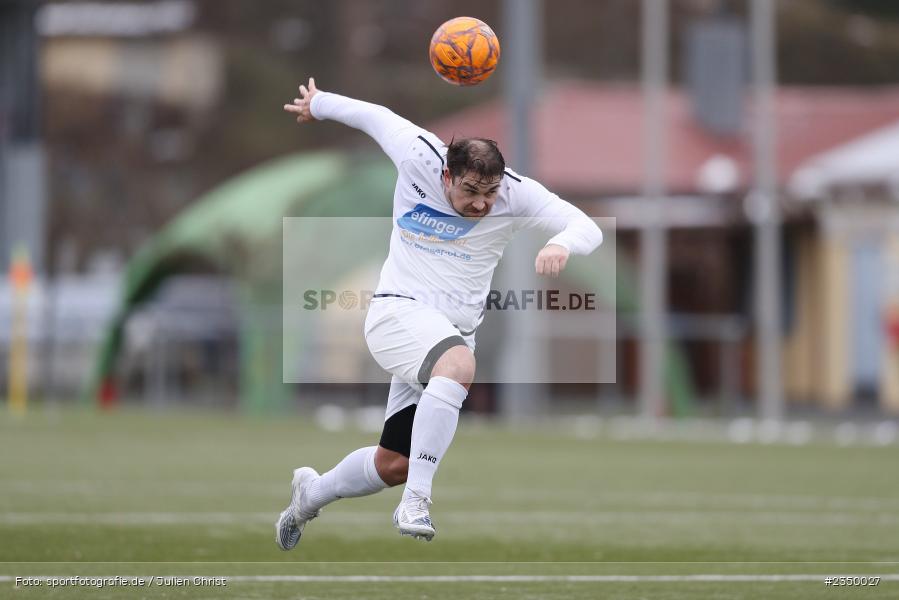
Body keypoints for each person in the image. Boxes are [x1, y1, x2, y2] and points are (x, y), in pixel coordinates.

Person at [276, 77, 602, 549]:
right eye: (471, 191)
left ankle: (311, 495)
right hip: (396, 315)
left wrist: (561, 242)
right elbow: (375, 115)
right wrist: (318, 104)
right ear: (447, 176)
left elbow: (585, 226)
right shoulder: (416, 156)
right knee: (459, 366)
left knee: (394, 463)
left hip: (446, 335)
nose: (482, 204)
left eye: (489, 194)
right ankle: (417, 500)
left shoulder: (516, 194)